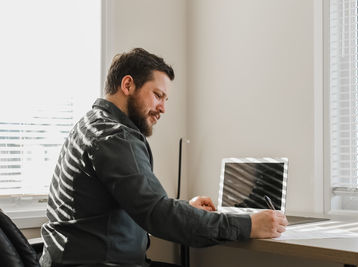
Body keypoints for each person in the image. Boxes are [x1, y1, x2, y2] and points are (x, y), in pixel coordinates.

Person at [40, 48, 288, 267]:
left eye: (165, 99)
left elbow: (143, 204)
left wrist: (184, 209)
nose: (163, 108)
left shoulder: (89, 125)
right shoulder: (115, 136)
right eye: (158, 95)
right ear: (127, 85)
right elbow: (158, 214)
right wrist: (249, 226)